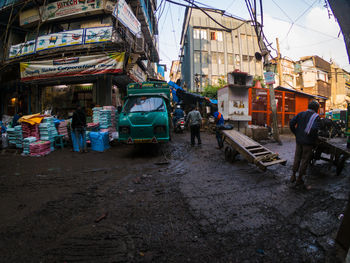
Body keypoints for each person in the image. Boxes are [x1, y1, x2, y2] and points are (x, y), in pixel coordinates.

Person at [289, 100, 321, 186]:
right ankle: (299, 178)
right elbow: (314, 129)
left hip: (299, 141)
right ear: (316, 109)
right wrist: (314, 139)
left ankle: (293, 176)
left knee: (297, 157)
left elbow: (291, 123)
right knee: (304, 160)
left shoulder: (300, 114)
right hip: (308, 143)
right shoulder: (316, 117)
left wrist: (296, 133)